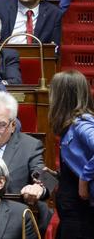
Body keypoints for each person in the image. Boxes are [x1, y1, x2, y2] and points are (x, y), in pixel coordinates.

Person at [48, 70, 94, 238]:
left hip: (81, 221)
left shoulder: (82, 125)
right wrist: (60, 176)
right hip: (72, 218)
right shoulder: (72, 126)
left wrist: (84, 178)